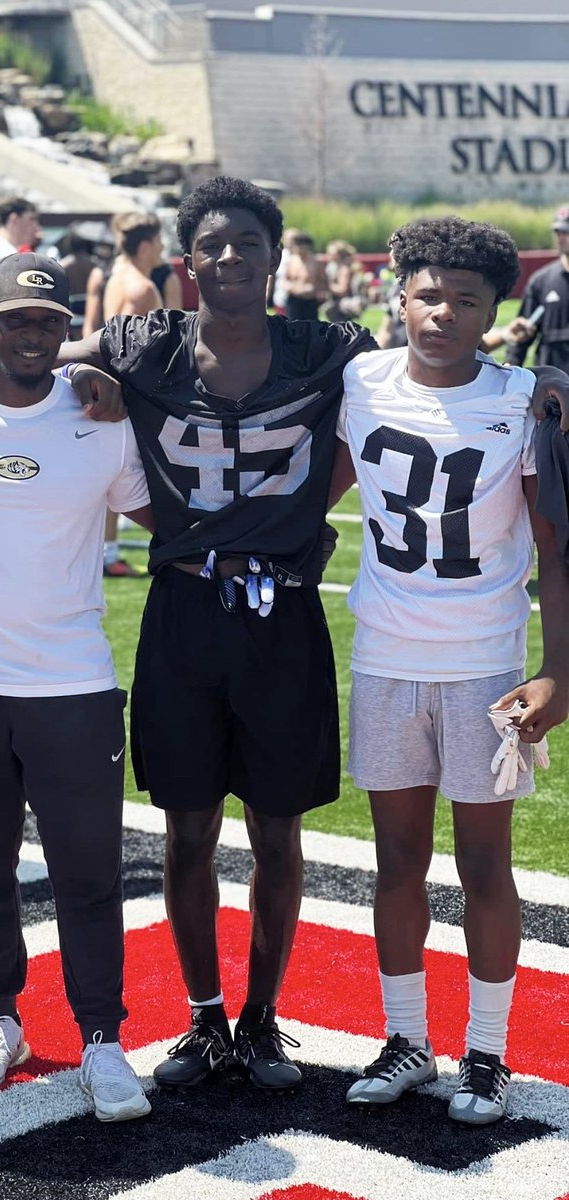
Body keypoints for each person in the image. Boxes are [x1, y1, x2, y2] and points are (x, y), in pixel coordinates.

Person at [0, 176, 374, 1092]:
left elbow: (414, 392)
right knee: (185, 834)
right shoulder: (140, 347)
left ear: (277, 257)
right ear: (183, 264)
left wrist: (314, 503)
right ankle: (202, 1019)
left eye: (248, 244)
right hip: (186, 612)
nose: (230, 260)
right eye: (213, 247)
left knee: (278, 834)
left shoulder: (332, 346)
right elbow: (10, 344)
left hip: (284, 616)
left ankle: (262, 1018)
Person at [0, 252, 154, 1123]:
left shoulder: (103, 418)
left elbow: (166, 514)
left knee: (90, 873)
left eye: (48, 322)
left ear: (65, 329)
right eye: (15, 319)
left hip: (73, 683)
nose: (33, 335)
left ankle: (102, 1038)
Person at [331, 217, 569, 1125]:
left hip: (482, 666)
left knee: (484, 866)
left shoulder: (523, 400)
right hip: (387, 657)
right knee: (397, 862)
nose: (443, 312)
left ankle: (487, 1052)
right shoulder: (358, 380)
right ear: (398, 298)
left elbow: (555, 546)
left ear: (494, 313)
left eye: (466, 300)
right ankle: (406, 1038)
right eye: (428, 294)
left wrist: (557, 672)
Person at [99, 212, 168, 579]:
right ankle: (110, 552)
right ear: (145, 246)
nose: (162, 248)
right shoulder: (143, 287)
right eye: (158, 242)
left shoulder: (116, 277)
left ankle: (107, 550)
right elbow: (154, 349)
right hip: (133, 391)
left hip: (112, 383)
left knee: (111, 473)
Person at [505, 204, 569, 373]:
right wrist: (510, 369)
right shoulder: (541, 281)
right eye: (558, 232)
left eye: (567, 232)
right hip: (552, 384)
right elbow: (523, 333)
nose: (561, 238)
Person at [0, 196, 41, 283]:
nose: (36, 227)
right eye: (31, 219)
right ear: (14, 219)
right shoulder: (3, 254)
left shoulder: (2, 250)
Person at [283, 232, 329, 321]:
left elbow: (324, 283)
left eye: (301, 246)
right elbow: (286, 281)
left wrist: (313, 289)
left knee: (310, 328)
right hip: (293, 300)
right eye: (296, 245)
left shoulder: (316, 263)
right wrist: (293, 288)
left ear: (308, 247)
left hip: (310, 302)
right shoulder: (291, 261)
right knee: (292, 327)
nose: (298, 249)